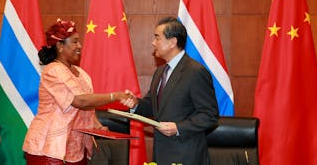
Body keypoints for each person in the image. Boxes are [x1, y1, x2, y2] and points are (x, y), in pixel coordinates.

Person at [23, 18, 132, 165]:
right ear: (60, 46)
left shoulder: (82, 74)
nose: (79, 46)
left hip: (76, 149)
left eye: (79, 41)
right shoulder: (52, 71)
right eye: (74, 42)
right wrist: (115, 96)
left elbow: (87, 108)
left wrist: (98, 126)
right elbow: (80, 101)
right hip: (49, 149)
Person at [124, 17, 219, 165]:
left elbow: (210, 115)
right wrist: (135, 104)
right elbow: (152, 107)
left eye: (157, 38)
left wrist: (178, 128)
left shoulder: (195, 72)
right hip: (161, 155)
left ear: (172, 42)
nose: (153, 43)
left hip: (187, 156)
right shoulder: (160, 71)